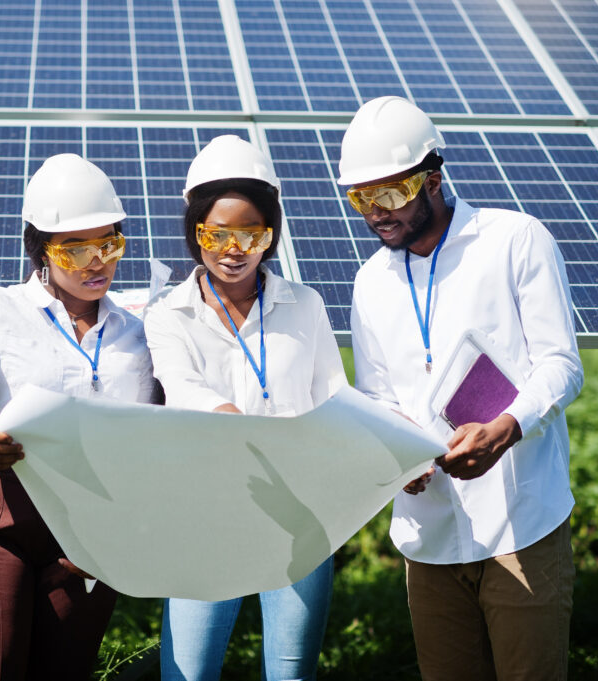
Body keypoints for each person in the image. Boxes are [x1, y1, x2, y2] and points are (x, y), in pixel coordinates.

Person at [341, 96, 584, 681]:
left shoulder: (514, 240)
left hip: (520, 520)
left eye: (392, 193)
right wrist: (397, 452)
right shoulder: (370, 281)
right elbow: (378, 396)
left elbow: (560, 364)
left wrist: (506, 427)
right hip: (428, 532)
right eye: (361, 198)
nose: (377, 213)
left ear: (433, 179)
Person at [0, 153, 156, 680]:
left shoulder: (141, 329)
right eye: (74, 249)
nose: (96, 261)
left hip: (90, 532)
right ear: (40, 249)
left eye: (109, 244)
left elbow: (156, 433)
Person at [143, 135, 347, 681]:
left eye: (252, 234)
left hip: (299, 516)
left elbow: (334, 398)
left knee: (290, 674)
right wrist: (229, 417)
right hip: (205, 517)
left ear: (270, 234)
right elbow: (179, 386)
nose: (235, 249)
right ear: (195, 232)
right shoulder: (168, 315)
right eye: (217, 234)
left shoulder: (304, 306)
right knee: (187, 673)